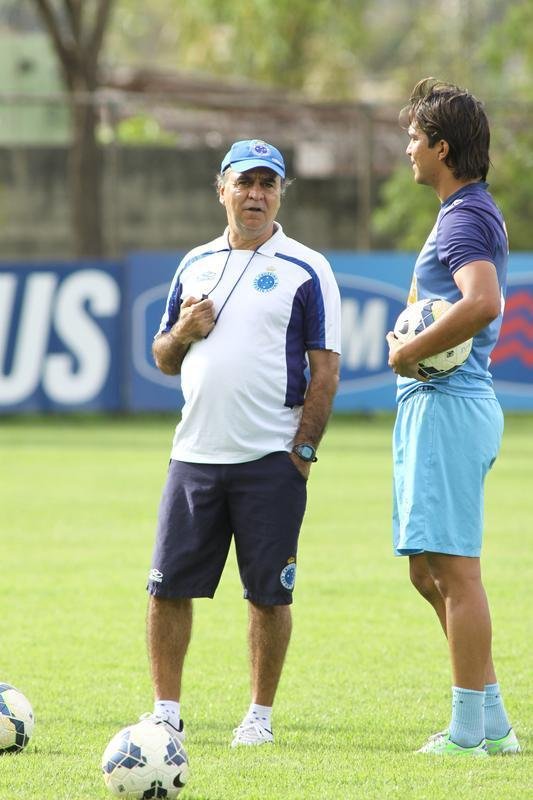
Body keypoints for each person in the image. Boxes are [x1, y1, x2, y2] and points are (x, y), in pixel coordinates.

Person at [143, 139, 341, 747]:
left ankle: (259, 716)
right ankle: (166, 711)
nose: (256, 194)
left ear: (281, 193)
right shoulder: (194, 263)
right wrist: (183, 329)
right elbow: (163, 357)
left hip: (269, 462)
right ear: (221, 188)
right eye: (245, 182)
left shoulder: (307, 268)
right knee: (167, 587)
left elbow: (326, 369)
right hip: (194, 457)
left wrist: (302, 452)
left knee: (267, 595)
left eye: (268, 184)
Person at [386, 78, 520, 757]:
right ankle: (491, 720)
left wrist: (409, 349)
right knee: (425, 570)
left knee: (455, 573)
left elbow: (483, 301)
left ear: (440, 148)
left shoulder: (465, 216)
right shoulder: (461, 211)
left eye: (414, 137)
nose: (406, 147)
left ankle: (467, 730)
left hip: (448, 404)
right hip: (436, 407)